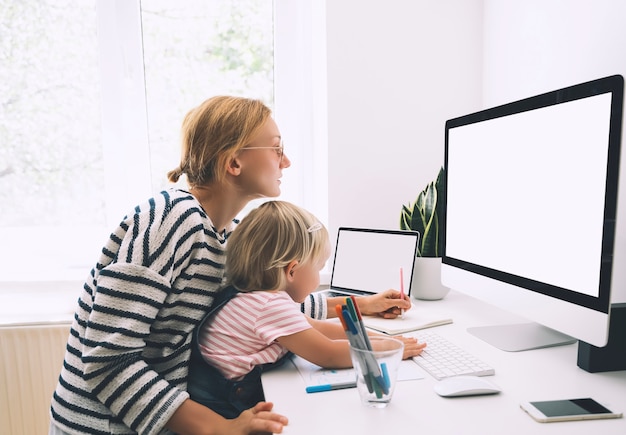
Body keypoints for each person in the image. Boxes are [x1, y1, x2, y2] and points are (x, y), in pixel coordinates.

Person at [49, 96, 414, 435]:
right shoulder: (169, 221)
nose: (286, 161)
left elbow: (261, 305)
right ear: (234, 161)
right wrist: (221, 428)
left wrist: (361, 305)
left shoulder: (227, 233)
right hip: (105, 426)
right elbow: (108, 361)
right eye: (276, 149)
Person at [187, 200, 426, 418]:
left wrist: (386, 338)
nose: (320, 275)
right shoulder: (269, 306)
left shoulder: (255, 296)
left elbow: (319, 329)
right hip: (224, 409)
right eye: (319, 267)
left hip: (222, 397)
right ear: (292, 270)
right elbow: (328, 353)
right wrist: (388, 350)